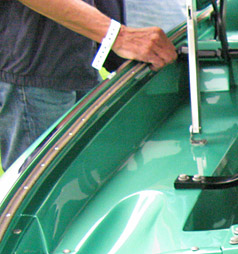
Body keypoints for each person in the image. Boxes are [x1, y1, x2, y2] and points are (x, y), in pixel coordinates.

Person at [0, 0, 178, 169]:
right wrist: (118, 35)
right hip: (32, 73)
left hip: (78, 60)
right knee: (46, 194)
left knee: (90, 181)